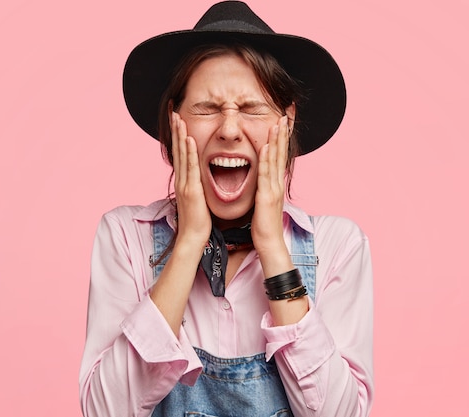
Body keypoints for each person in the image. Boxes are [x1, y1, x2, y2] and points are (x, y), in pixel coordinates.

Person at [79, 1, 374, 416]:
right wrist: (189, 242)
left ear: (286, 124)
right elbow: (105, 410)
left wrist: (272, 246)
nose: (230, 130)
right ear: (174, 119)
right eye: (207, 109)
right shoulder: (126, 236)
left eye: (252, 108)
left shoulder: (338, 245)